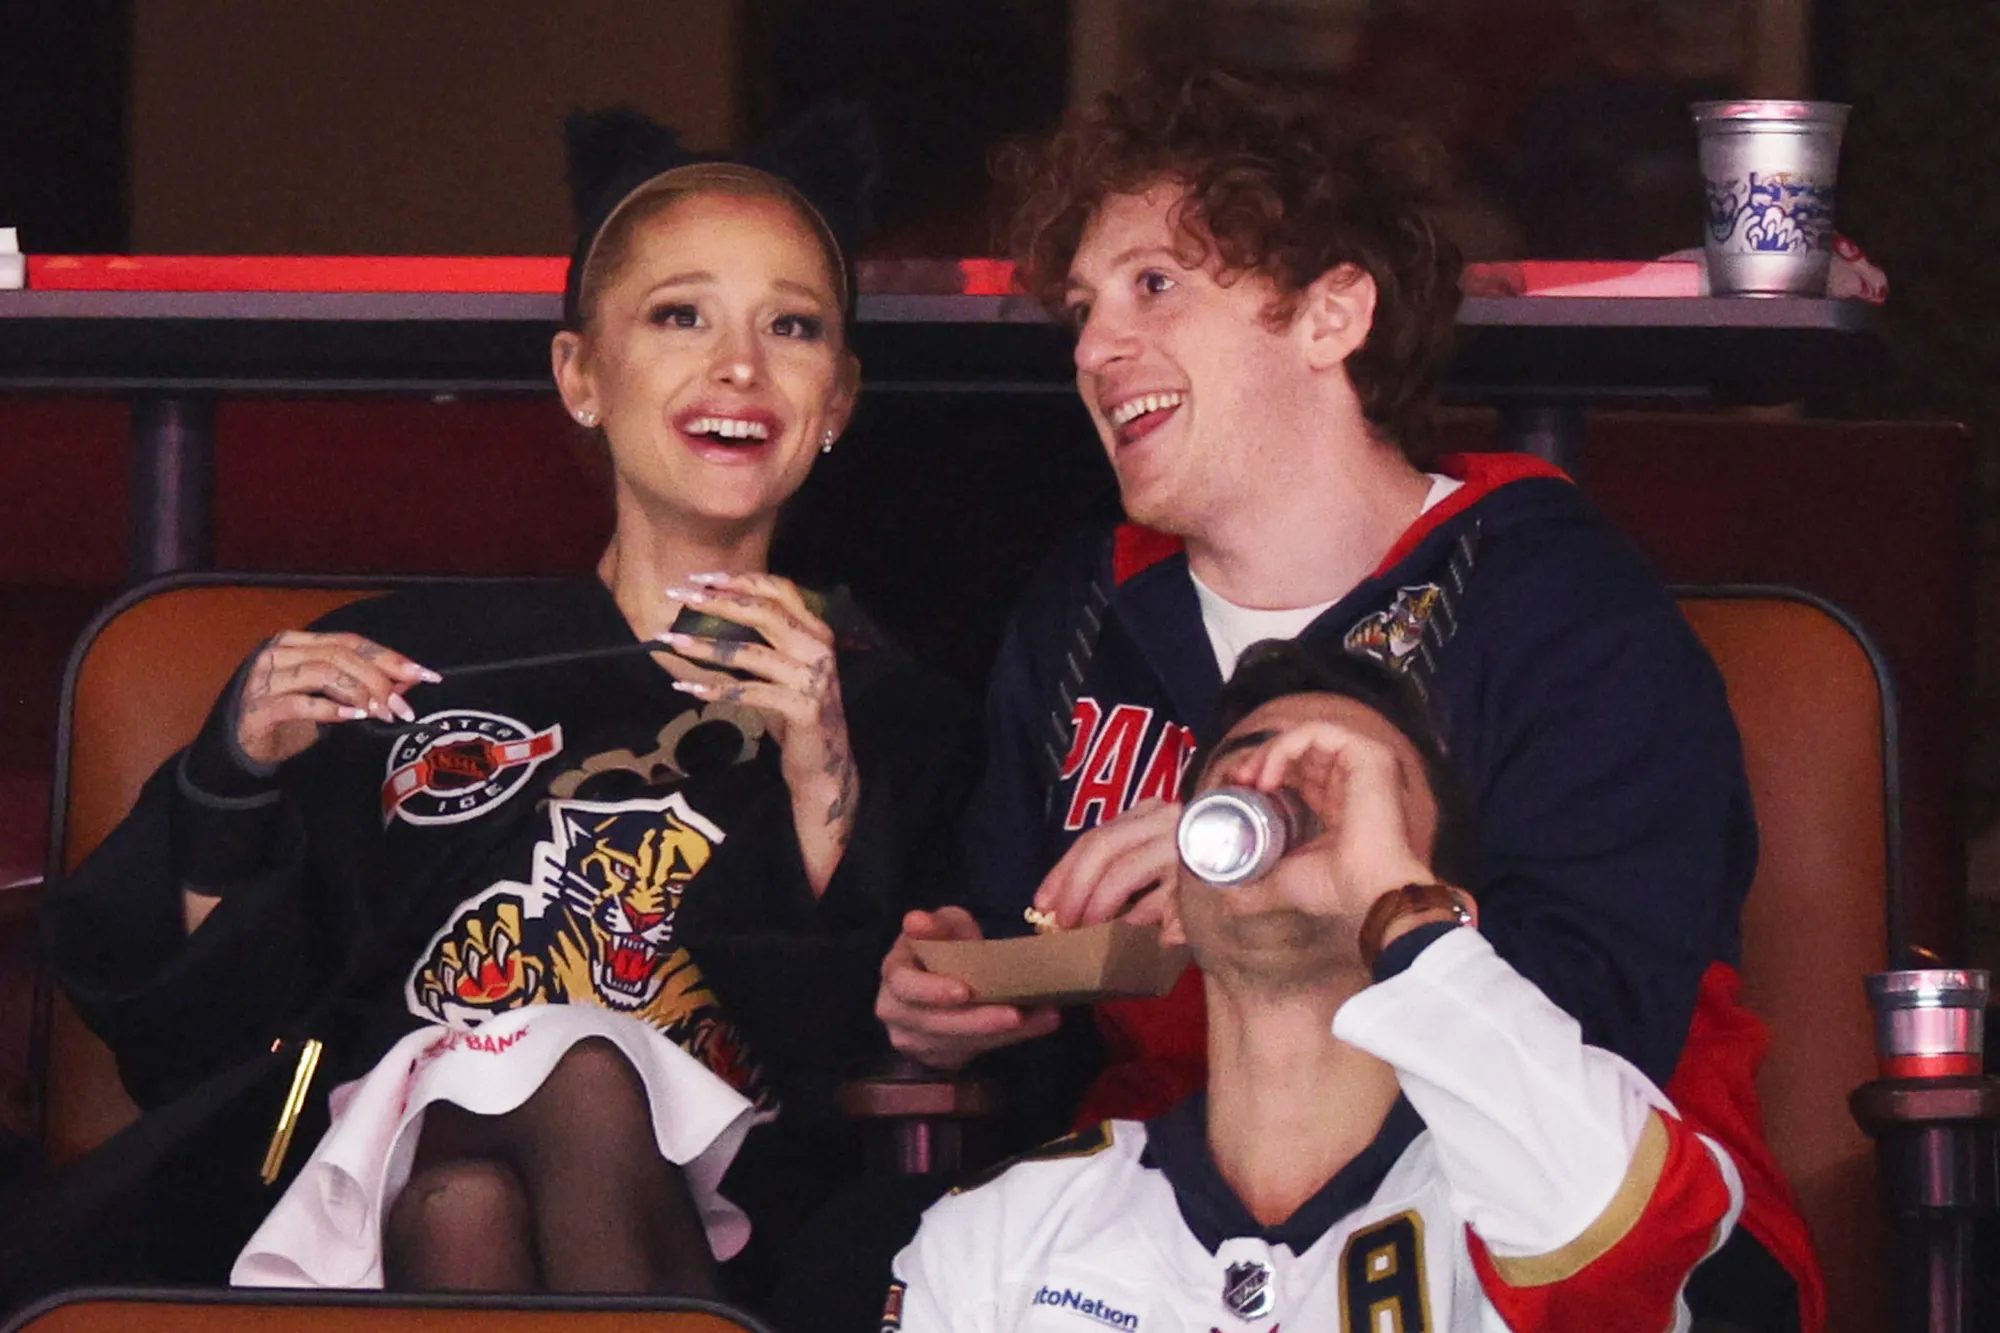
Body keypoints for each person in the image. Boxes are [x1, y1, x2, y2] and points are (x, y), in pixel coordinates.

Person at [873, 65, 1818, 1333]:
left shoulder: (1548, 591)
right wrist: (961, 997)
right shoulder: (1080, 608)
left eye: (1155, 284)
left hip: (1541, 1229)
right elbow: (1030, 959)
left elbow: (1608, 1006)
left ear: (1331, 314)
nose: (1096, 345)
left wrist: (1280, 893)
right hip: (1171, 1231)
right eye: (1084, 307)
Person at [28, 108, 973, 1316]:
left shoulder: (891, 702)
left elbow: (873, 1054)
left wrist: (817, 765)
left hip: (725, 1211)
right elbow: (195, 1038)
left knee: (477, 1192)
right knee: (510, 1120)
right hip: (353, 1203)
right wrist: (231, 770)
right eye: (679, 315)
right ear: (581, 375)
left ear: (835, 396)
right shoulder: (418, 662)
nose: (739, 367)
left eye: (790, 328)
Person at [888, 642, 1746, 1333]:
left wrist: (1392, 903)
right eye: (1243, 765)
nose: (1282, 787)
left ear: (1445, 910)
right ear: (1176, 903)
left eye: (1365, 783)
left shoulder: (1525, 1185)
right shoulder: (1004, 1234)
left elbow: (1630, 1231)